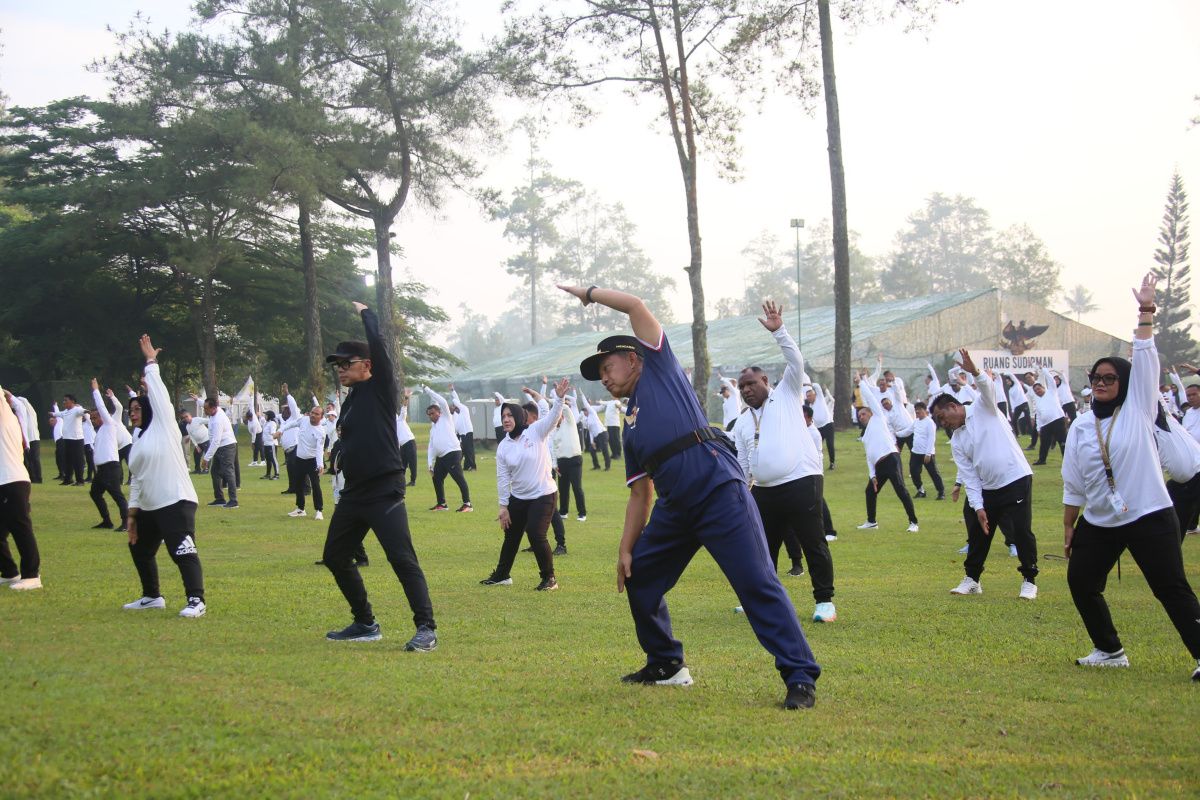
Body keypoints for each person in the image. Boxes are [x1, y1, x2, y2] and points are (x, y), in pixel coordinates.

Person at [561, 283, 820, 711]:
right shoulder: (630, 425)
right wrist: (625, 550)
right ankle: (665, 664)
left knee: (756, 583)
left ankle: (799, 676)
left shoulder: (660, 367)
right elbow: (640, 496)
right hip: (676, 508)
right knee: (640, 575)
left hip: (718, 489)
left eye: (608, 367)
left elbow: (635, 305)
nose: (604, 378)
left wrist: (589, 293)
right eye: (599, 375)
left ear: (633, 358)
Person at [1063, 273, 1200, 681]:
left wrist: (1145, 312)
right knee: (1082, 582)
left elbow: (1145, 356)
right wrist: (1070, 525)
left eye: (1110, 378)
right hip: (1101, 519)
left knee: (1170, 588)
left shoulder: (1139, 408)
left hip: (1149, 515)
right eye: (1095, 379)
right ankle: (1109, 649)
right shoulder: (1081, 426)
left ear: (1125, 384)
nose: (1101, 384)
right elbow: (1073, 481)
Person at [320, 301, 438, 650]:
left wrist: (367, 315)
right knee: (335, 556)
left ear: (367, 366)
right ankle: (365, 622)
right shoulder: (352, 399)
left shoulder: (382, 387)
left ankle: (426, 628)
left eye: (346, 363)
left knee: (402, 558)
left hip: (384, 490)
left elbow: (384, 354)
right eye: (337, 365)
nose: (340, 369)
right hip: (354, 493)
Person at [732, 301, 836, 624]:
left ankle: (824, 603)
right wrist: (740, 492)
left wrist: (780, 332)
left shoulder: (787, 393)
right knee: (761, 549)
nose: (747, 390)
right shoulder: (742, 422)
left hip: (802, 481)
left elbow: (796, 360)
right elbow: (742, 462)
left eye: (751, 383)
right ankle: (758, 601)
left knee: (813, 542)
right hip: (764, 490)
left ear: (765, 380)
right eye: (742, 387)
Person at [929, 350, 1038, 600]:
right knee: (978, 533)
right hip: (989, 489)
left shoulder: (983, 407)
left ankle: (1029, 579)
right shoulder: (957, 440)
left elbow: (987, 388)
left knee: (1021, 531)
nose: (942, 423)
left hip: (1016, 479)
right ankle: (972, 579)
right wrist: (978, 506)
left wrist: (975, 371)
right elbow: (969, 476)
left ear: (953, 406)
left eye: (942, 417)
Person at [124, 335, 206, 617]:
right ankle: (151, 596)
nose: (133, 414)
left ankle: (196, 601)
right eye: (130, 410)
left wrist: (151, 363)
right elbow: (136, 478)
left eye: (137, 409)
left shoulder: (164, 426)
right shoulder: (138, 441)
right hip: (148, 506)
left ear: (148, 410)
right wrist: (132, 513)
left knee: (182, 550)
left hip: (175, 500)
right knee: (139, 548)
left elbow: (158, 396)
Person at [483, 377, 570, 591]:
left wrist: (559, 398)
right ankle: (502, 575)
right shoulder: (503, 446)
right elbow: (503, 477)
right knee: (511, 535)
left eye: (510, 415)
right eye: (503, 416)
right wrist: (504, 507)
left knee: (535, 533)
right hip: (519, 498)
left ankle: (549, 579)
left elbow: (552, 416)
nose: (506, 419)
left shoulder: (536, 431)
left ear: (520, 417)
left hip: (543, 494)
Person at [854, 373, 919, 533]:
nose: (861, 417)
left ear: (871, 413)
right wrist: (872, 475)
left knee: (900, 489)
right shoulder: (865, 435)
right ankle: (871, 522)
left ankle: (913, 522)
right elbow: (869, 457)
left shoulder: (878, 417)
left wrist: (861, 382)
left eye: (864, 414)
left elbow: (869, 397)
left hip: (891, 459)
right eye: (859, 415)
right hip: (879, 466)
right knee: (870, 490)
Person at [1, 386, 41, 591]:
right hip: (5, 481)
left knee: (20, 528)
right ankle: (9, 572)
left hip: (12, 481)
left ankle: (32, 576)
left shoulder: (5, 416)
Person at [88, 379, 129, 531]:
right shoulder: (100, 431)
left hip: (111, 468)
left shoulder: (109, 424)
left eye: (95, 417)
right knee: (94, 493)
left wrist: (95, 390)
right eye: (92, 418)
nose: (93, 420)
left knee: (118, 496)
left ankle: (126, 523)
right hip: (102, 470)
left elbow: (101, 407)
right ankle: (107, 521)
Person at [424, 385, 472, 512]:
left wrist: (428, 391)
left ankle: (467, 504)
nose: (431, 416)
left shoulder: (446, 418)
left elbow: (443, 401)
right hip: (441, 457)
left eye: (433, 413)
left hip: (452, 453)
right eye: (429, 414)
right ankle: (442, 504)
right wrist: (430, 463)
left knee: (458, 477)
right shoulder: (433, 429)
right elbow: (431, 446)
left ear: (439, 412)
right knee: (437, 478)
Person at [282, 404, 327, 520]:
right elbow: (292, 424)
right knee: (298, 484)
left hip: (312, 461)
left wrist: (320, 465)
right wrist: (280, 431)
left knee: (315, 485)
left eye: (316, 414)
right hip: (300, 459)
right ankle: (300, 509)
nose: (313, 415)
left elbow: (319, 450)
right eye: (312, 412)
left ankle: (319, 510)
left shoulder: (321, 432)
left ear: (321, 417)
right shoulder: (304, 420)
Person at [199, 397, 238, 508]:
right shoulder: (215, 410)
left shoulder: (217, 420)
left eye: (206, 409)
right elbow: (206, 403)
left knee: (228, 472)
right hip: (220, 447)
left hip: (226, 447)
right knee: (215, 472)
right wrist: (198, 400)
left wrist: (206, 458)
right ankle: (220, 498)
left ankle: (233, 501)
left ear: (213, 408)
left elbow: (216, 441)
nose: (204, 411)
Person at [553, 394, 586, 521]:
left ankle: (582, 513)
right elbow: (554, 449)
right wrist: (555, 464)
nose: (558, 417)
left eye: (559, 415)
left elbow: (565, 408)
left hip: (574, 459)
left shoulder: (570, 422)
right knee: (563, 488)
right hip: (562, 462)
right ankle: (563, 512)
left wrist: (558, 398)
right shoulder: (554, 431)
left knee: (577, 487)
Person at [1031, 367, 1067, 465]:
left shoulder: (1051, 392)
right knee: (1044, 443)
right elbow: (1038, 415)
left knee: (1062, 441)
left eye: (1038, 389)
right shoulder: (1037, 401)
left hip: (1058, 420)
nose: (1037, 391)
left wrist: (1044, 370)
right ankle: (1042, 460)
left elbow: (1051, 380)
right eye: (1035, 391)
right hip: (1046, 424)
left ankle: (1067, 460)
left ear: (1043, 387)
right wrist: (1038, 428)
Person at [909, 401, 945, 500]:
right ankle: (921, 491)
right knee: (913, 471)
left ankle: (941, 492)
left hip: (927, 453)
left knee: (933, 473)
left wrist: (928, 453)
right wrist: (895, 434)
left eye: (919, 411)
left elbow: (931, 439)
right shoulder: (916, 421)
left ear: (925, 411)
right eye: (916, 412)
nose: (917, 413)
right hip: (915, 452)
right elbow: (908, 431)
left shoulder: (930, 423)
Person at [53, 394, 88, 486]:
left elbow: (82, 411)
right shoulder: (65, 412)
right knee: (67, 460)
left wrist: (85, 410)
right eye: (63, 400)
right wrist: (53, 413)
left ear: (72, 401)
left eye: (66, 400)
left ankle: (80, 481)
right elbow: (58, 413)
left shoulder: (76, 410)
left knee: (77, 461)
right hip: (67, 439)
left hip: (76, 440)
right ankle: (68, 479)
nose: (64, 402)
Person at [806, 382, 835, 470]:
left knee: (830, 444)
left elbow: (818, 386)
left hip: (828, 425)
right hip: (818, 428)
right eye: (807, 396)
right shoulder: (810, 406)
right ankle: (815, 463)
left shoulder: (820, 399)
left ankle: (832, 463)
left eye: (810, 396)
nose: (808, 398)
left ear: (814, 395)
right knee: (816, 446)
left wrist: (808, 384)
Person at [580, 390, 611, 471]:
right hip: (596, 436)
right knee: (591, 449)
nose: (584, 412)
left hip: (602, 434)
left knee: (604, 450)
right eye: (583, 411)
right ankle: (596, 466)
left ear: (588, 410)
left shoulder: (592, 412)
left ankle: (607, 467)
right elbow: (590, 431)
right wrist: (592, 441)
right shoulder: (587, 420)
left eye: (585, 410)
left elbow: (586, 404)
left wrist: (582, 395)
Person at [449, 385, 477, 471]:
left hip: (467, 432)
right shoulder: (456, 415)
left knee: (469, 450)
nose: (453, 408)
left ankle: (472, 466)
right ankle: (466, 466)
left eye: (454, 406)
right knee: (463, 450)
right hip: (461, 434)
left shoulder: (464, 409)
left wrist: (452, 391)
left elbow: (456, 401)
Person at [15, 396, 41, 484]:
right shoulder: (22, 415)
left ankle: (38, 478)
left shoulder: (31, 413)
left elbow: (24, 400)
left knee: (35, 459)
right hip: (27, 440)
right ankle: (31, 477)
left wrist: (15, 398)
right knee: (27, 460)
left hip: (34, 439)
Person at [397, 390, 417, 486]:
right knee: (403, 464)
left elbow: (404, 408)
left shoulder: (400, 420)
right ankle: (401, 481)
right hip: (402, 446)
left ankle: (413, 481)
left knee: (412, 463)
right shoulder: (391, 427)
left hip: (409, 442)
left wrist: (406, 397)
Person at [260, 410, 280, 480]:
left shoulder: (272, 423)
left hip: (272, 444)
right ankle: (268, 474)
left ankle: (277, 474)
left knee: (273, 459)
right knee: (268, 460)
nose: (265, 416)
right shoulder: (266, 423)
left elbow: (273, 433)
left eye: (266, 415)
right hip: (266, 444)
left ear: (269, 416)